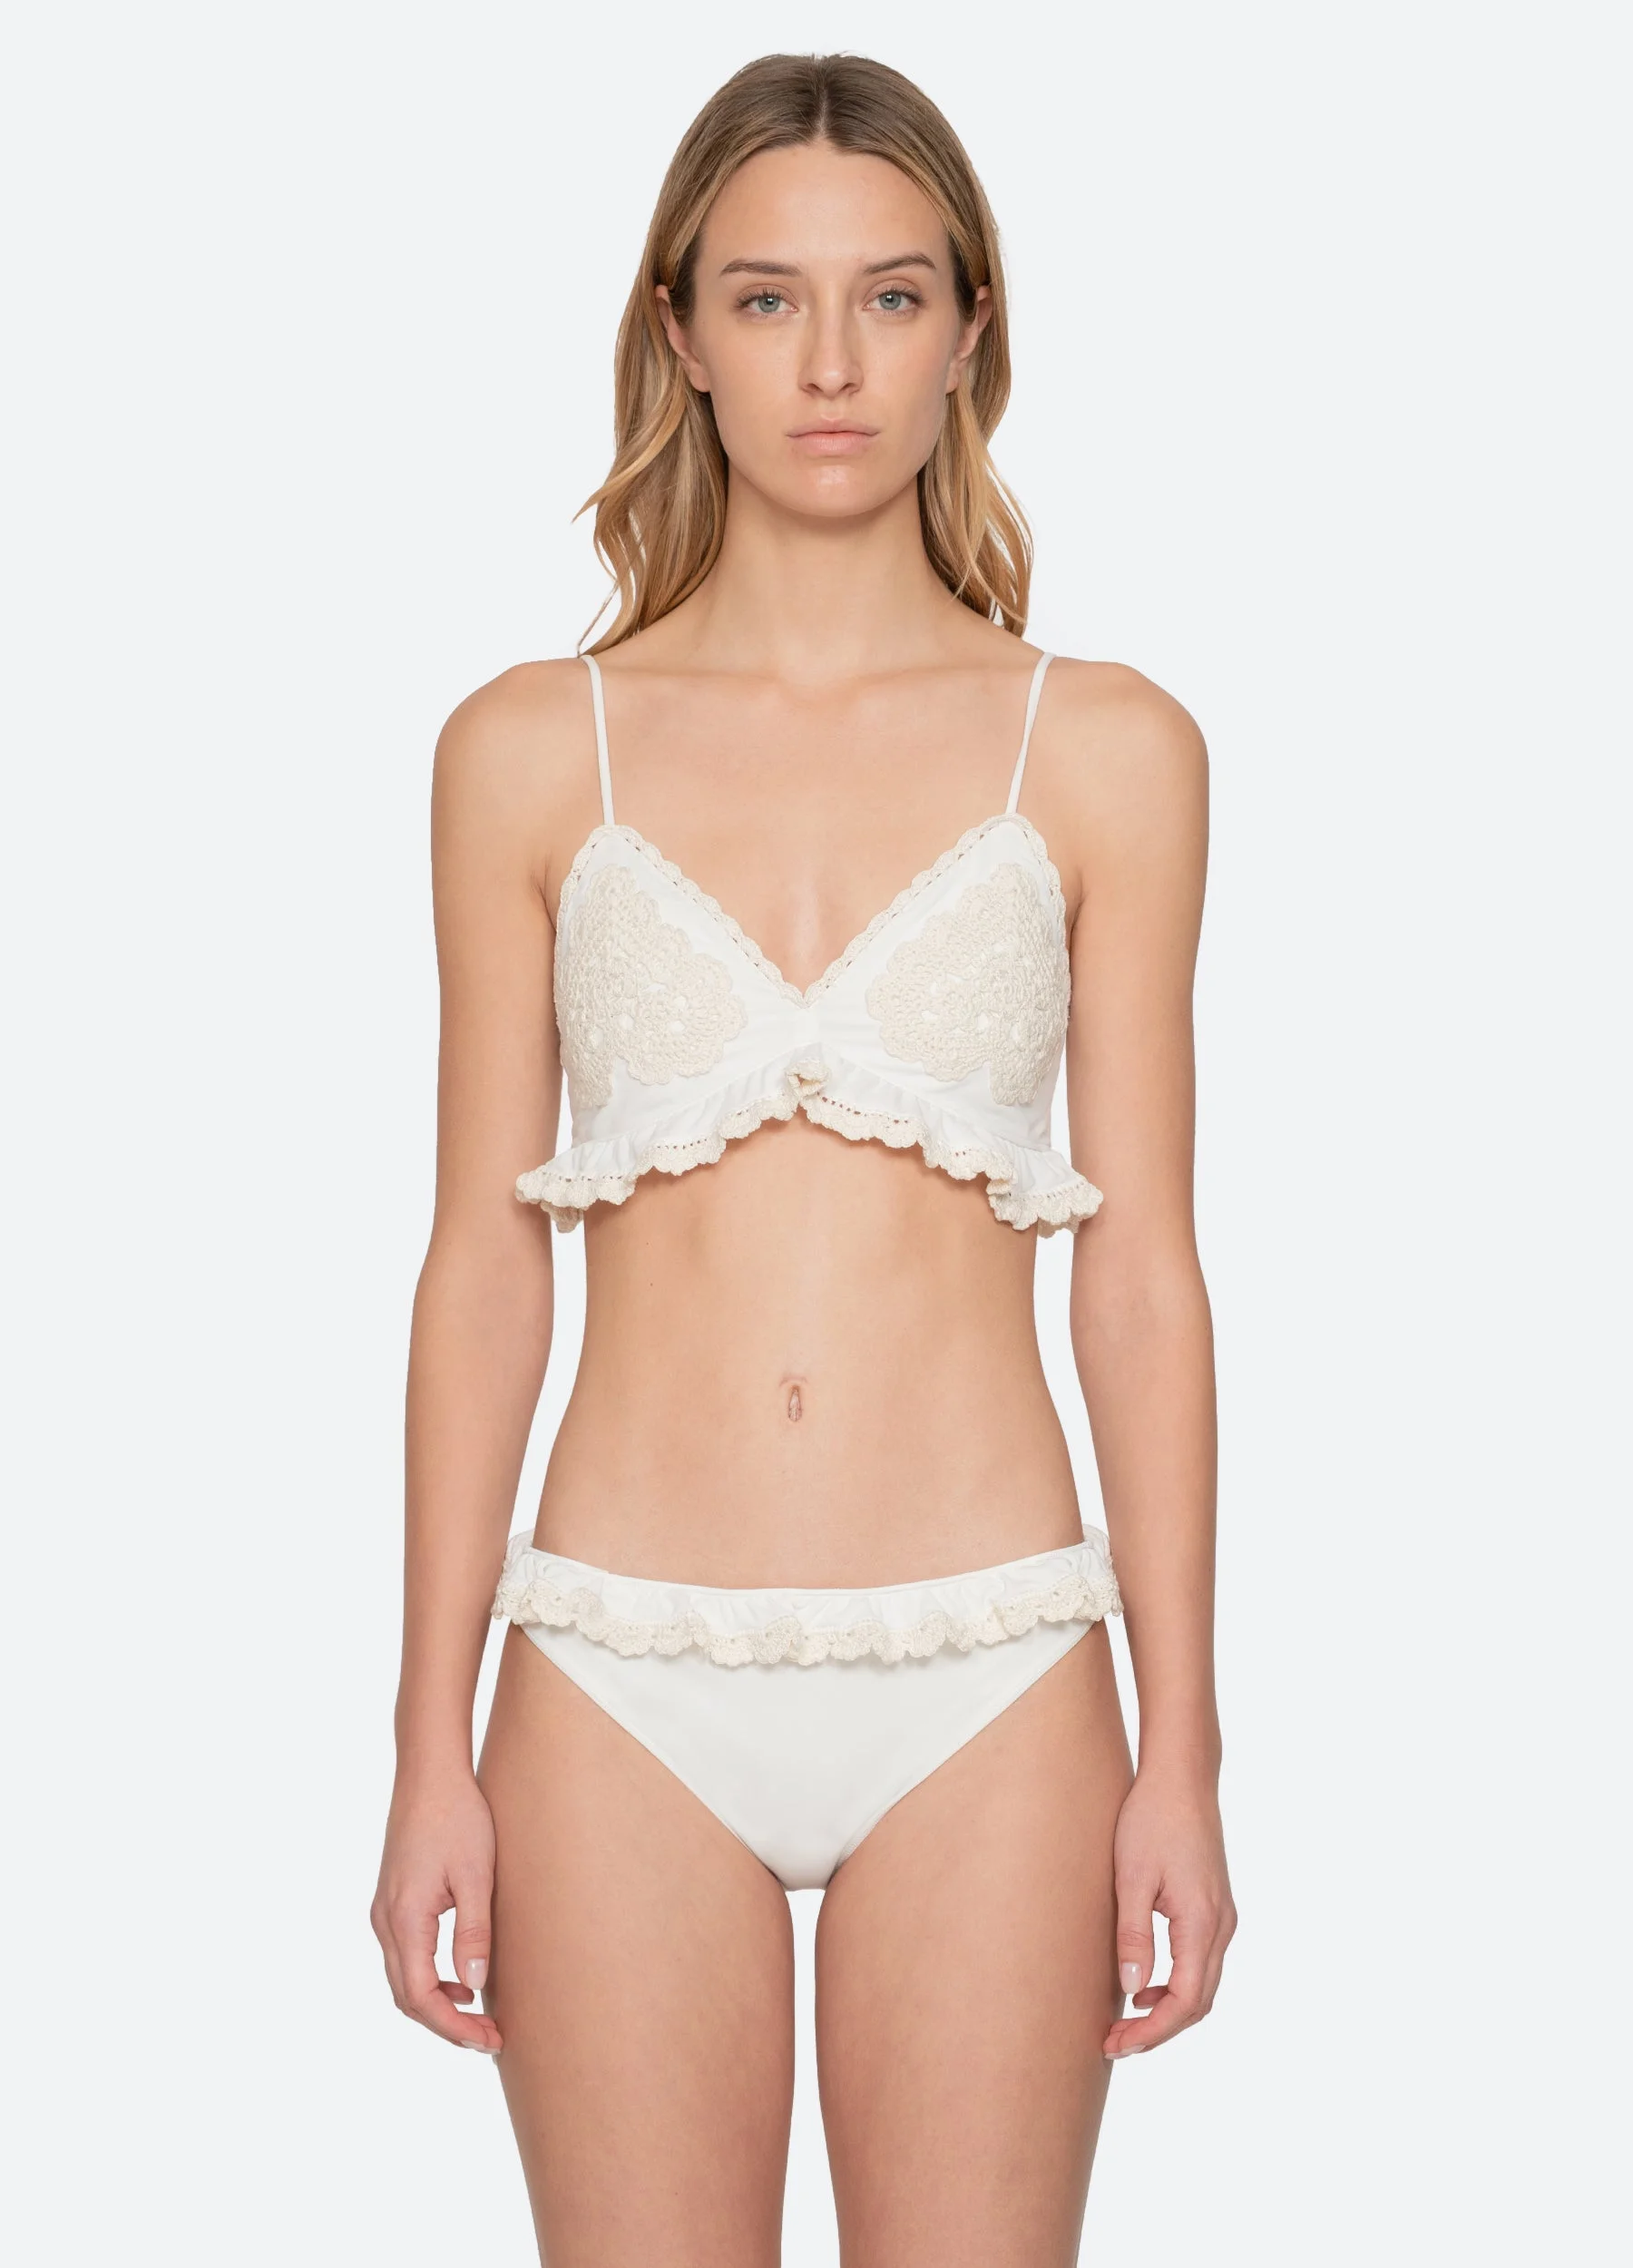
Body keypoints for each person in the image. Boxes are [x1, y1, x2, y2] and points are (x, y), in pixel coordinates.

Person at [372, 50, 1235, 2266]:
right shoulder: (526, 751)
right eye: (767, 298)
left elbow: (1143, 1275)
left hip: (998, 1661)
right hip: (613, 1667)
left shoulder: (1109, 748)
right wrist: (426, 1739)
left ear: (972, 331)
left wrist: (1186, 1749)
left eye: (891, 295)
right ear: (681, 331)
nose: (831, 363)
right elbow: (482, 1263)